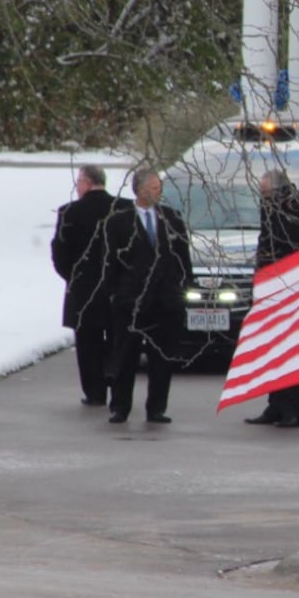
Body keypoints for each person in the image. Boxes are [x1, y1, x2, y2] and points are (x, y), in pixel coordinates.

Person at [101, 168, 192, 426]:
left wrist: (183, 288)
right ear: (139, 190)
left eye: (158, 187)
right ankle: (120, 407)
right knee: (125, 357)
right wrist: (115, 295)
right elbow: (109, 264)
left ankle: (157, 408)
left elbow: (183, 259)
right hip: (130, 303)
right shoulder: (118, 222)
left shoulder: (171, 219)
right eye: (153, 187)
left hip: (164, 303)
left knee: (161, 359)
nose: (158, 191)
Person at [242, 169, 299, 428]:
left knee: (288, 351)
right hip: (270, 287)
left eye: (266, 193)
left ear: (279, 190)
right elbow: (265, 242)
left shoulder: (297, 207)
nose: (264, 198)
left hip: (290, 287)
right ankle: (275, 405)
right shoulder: (271, 206)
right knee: (271, 350)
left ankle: (294, 411)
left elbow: (297, 243)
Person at [50, 166, 128, 409]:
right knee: (118, 339)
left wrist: (74, 277)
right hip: (119, 287)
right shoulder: (125, 208)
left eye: (78, 181)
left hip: (83, 288)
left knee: (87, 342)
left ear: (86, 182)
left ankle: (94, 391)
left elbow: (60, 253)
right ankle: (116, 381)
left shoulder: (70, 212)